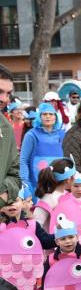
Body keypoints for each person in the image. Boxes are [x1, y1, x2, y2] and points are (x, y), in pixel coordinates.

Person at [20, 103, 65, 200]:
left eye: (51, 114)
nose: (48, 116)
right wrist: (25, 183)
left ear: (56, 117)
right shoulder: (31, 135)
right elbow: (23, 160)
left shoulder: (62, 134)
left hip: (58, 186)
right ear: (39, 117)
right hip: (37, 186)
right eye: (44, 114)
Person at [32, 157, 77, 231]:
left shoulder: (66, 194)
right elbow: (36, 225)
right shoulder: (48, 198)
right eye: (74, 175)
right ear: (69, 179)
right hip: (52, 240)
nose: (75, 178)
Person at [0, 64, 21, 211]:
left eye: (8, 94)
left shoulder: (6, 126)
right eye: (0, 92)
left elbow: (15, 174)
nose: (4, 99)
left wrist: (4, 195)